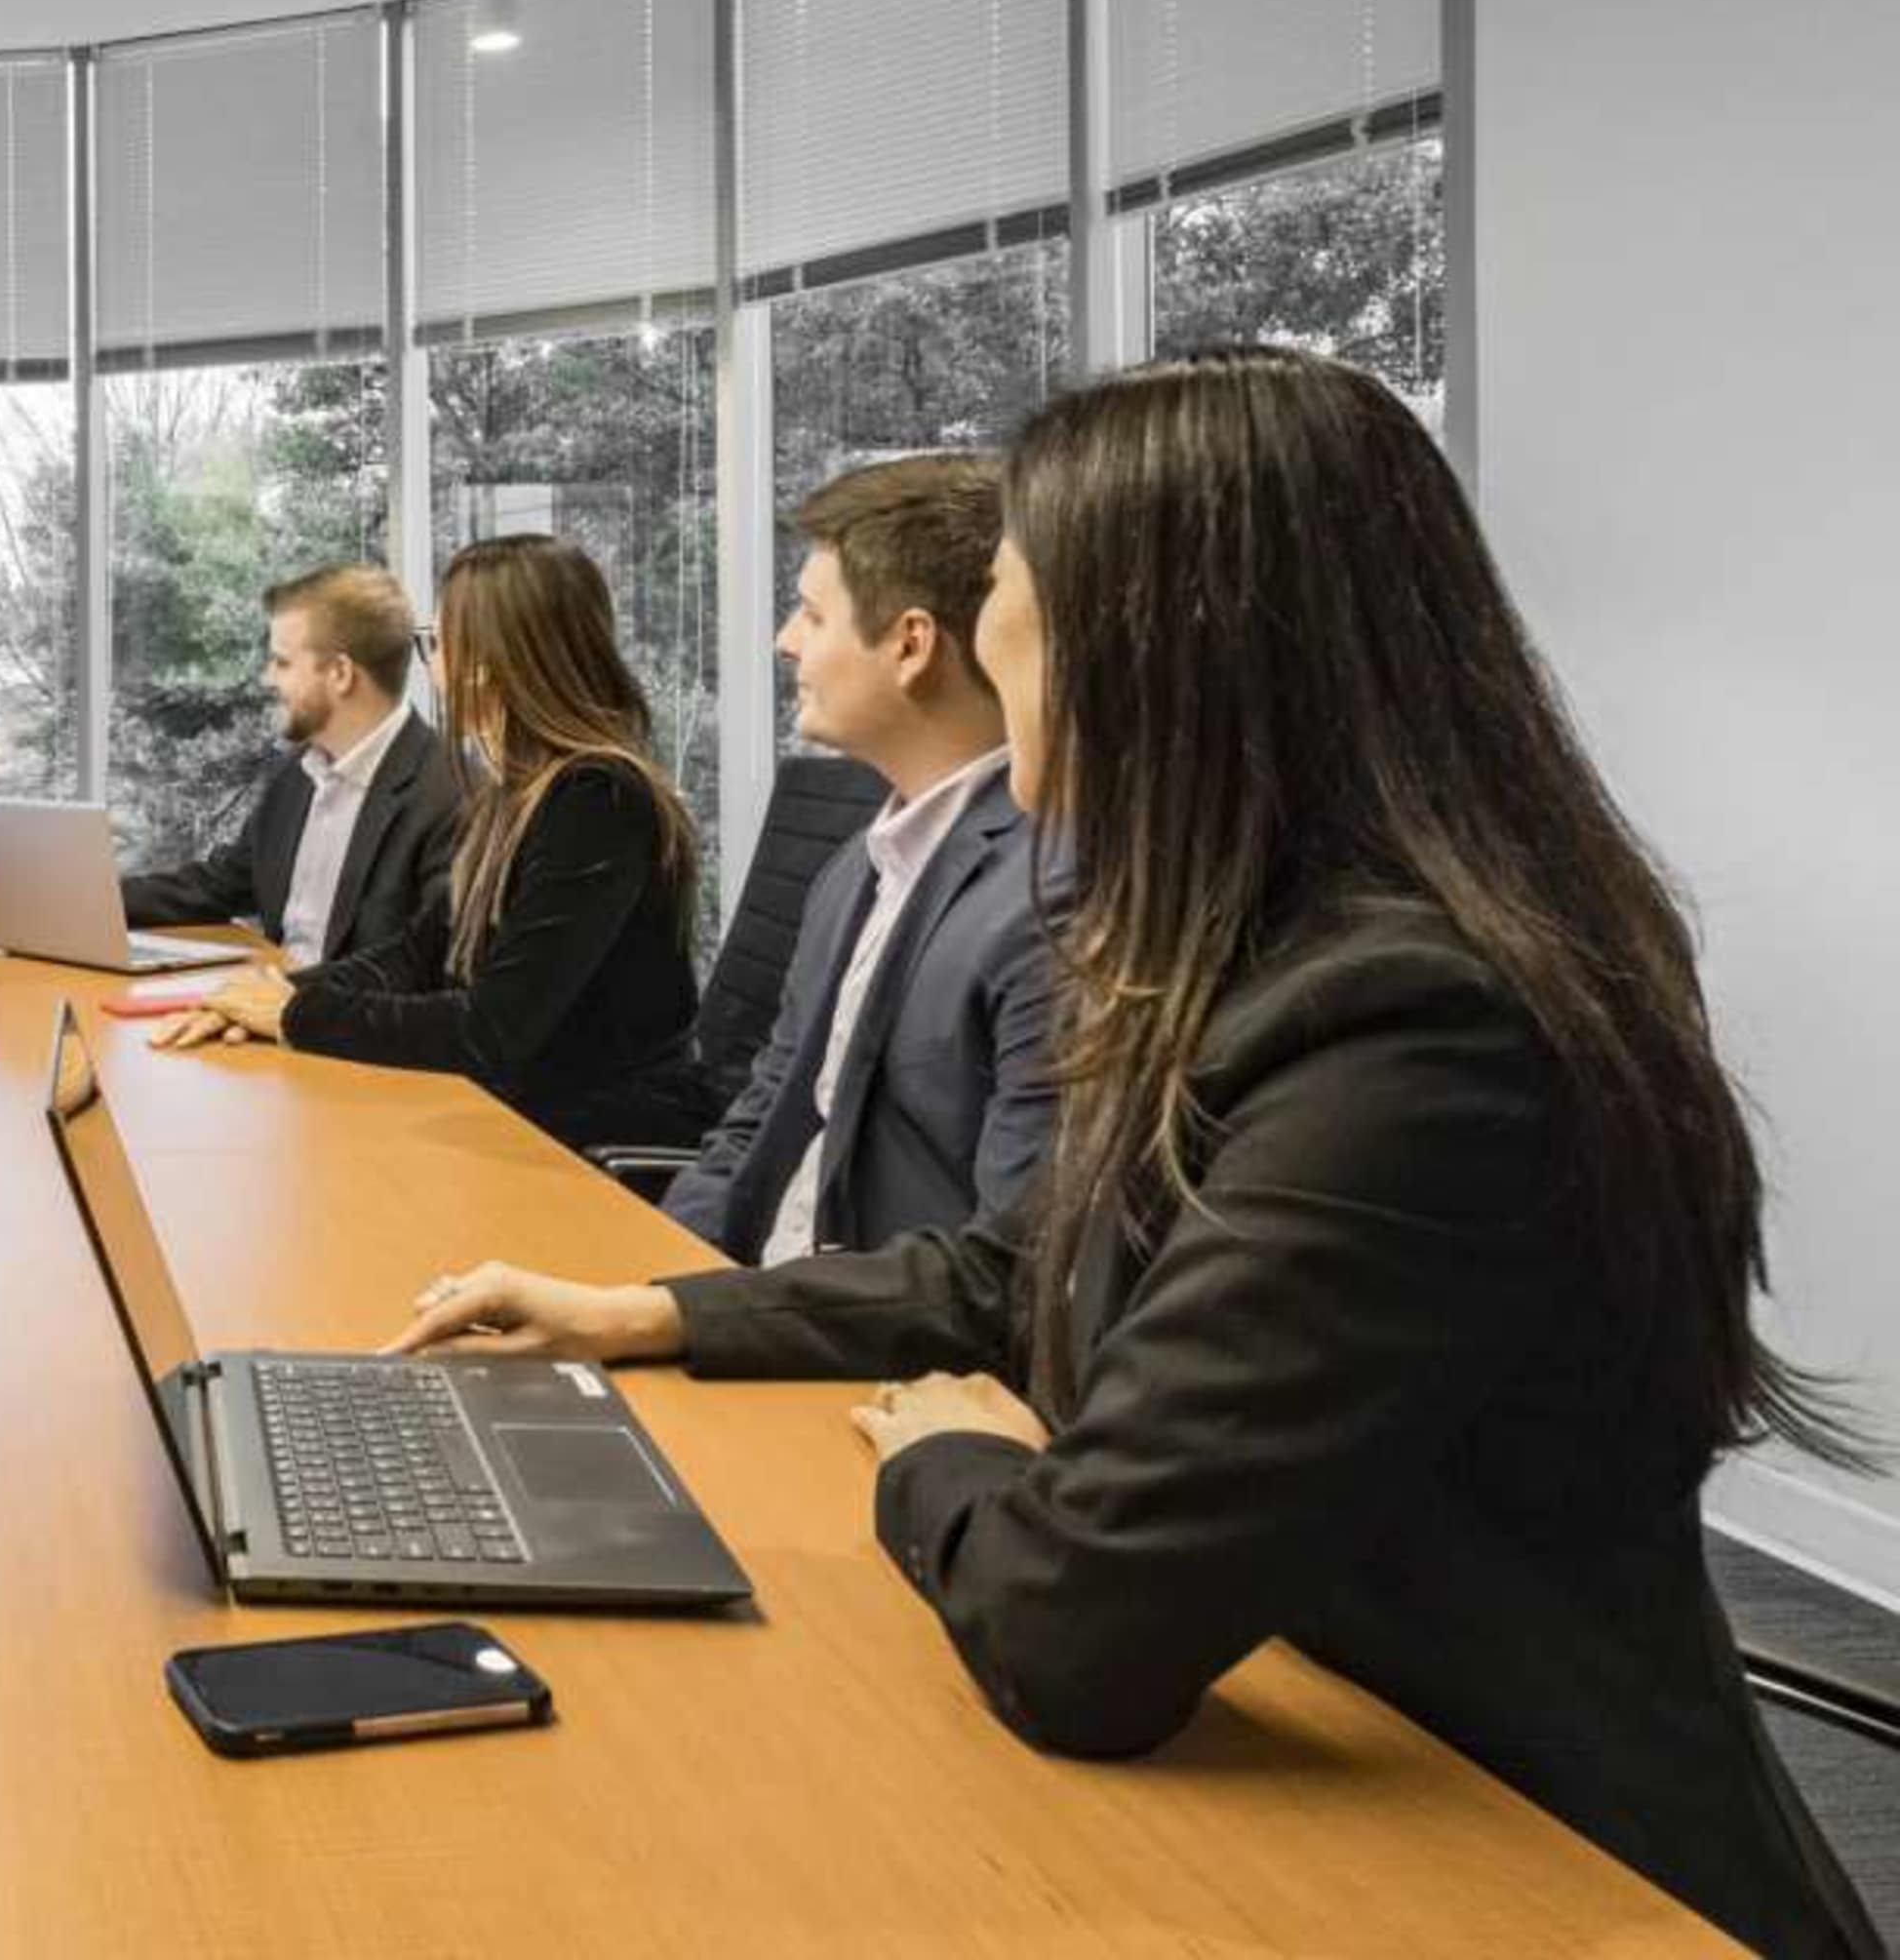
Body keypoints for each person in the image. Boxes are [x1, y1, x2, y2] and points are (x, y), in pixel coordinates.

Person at [388, 350, 1880, 1960]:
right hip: (1323, 1773)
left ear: (1160, 642)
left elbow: (1077, 1630)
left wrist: (940, 1460)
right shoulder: (1267, 958)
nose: (988, 627)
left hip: (1532, 1868)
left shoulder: (1415, 1027)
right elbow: (1026, 1256)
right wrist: (653, 1316)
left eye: (1016, 582)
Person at [155, 533, 702, 1153]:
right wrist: (276, 996)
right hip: (514, 1114)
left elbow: (488, 1031)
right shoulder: (516, 794)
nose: (433, 668)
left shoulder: (598, 800)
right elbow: (419, 953)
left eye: (438, 644)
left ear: (489, 662)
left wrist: (290, 1016)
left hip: (580, 1143)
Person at [661, 455, 1057, 1262]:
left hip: (870, 1354)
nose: (784, 642)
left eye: (810, 615)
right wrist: (654, 1280)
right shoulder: (858, 865)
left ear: (911, 644)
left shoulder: (1049, 894)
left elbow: (1009, 1264)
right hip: (750, 1310)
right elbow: (765, 1106)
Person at [117, 564, 461, 970]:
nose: (267, 679)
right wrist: (85, 899)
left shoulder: (452, 795)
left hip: (340, 1024)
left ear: (339, 673)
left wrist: (286, 1005)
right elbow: (219, 884)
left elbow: (422, 972)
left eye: (281, 663)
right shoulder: (295, 773)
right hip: (273, 1006)